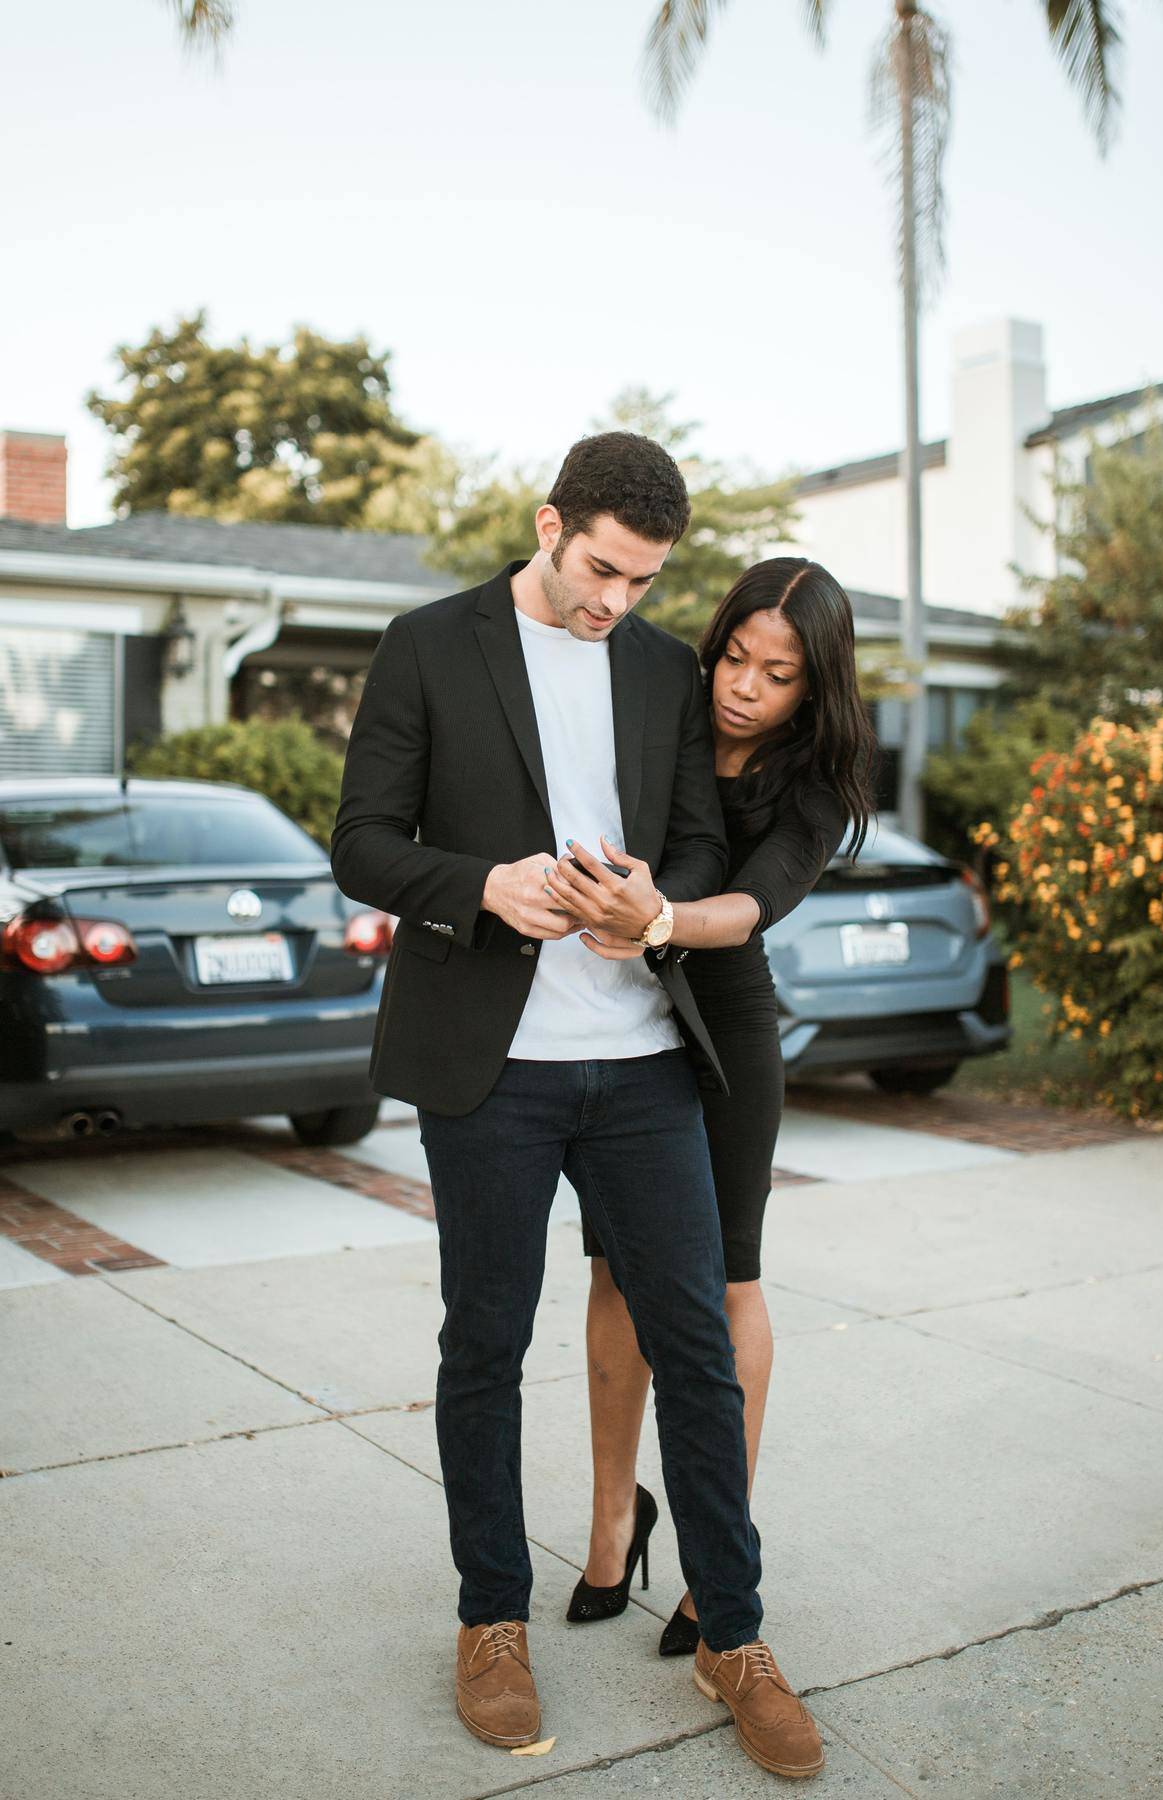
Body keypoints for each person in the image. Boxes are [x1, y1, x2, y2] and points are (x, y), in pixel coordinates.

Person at [331, 437, 825, 1780]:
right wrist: (485, 885)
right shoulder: (429, 645)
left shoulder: (665, 668)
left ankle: (735, 1631)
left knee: (701, 1354)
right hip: (487, 1071)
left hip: (644, 1064)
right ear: (550, 526)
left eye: (645, 580)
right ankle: (491, 1619)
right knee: (483, 1348)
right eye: (602, 568)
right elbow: (361, 840)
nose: (618, 601)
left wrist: (646, 901)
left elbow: (706, 844)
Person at [544, 557, 874, 1656]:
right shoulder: (661, 707)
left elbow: (753, 901)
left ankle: (713, 1555)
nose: (743, 686)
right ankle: (609, 1520)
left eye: (776, 674)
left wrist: (659, 919)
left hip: (723, 1035)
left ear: (811, 690)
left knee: (730, 1280)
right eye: (734, 655)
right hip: (621, 1025)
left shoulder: (815, 785)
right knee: (614, 1275)